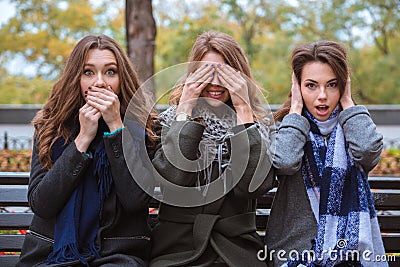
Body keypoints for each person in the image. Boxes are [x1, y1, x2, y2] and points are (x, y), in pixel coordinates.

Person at [16, 34, 157, 267]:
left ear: (122, 78)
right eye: (88, 72)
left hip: (117, 255)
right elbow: (42, 204)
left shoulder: (142, 128)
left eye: (110, 72)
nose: (99, 82)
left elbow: (135, 201)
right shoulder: (51, 127)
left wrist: (115, 129)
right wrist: (82, 139)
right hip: (52, 254)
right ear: (75, 78)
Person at [150, 30, 275, 267]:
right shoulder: (170, 122)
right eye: (207, 73)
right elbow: (171, 179)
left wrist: (244, 113)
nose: (215, 83)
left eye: (225, 74)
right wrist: (185, 110)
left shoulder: (258, 126)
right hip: (177, 248)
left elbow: (253, 187)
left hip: (236, 248)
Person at [266, 40, 387, 267]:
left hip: (348, 255)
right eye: (311, 85)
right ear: (297, 87)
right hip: (295, 253)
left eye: (332, 85)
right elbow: (284, 162)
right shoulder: (288, 127)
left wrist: (348, 103)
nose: (322, 95)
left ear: (343, 86)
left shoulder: (352, 126)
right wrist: (295, 110)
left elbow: (368, 152)